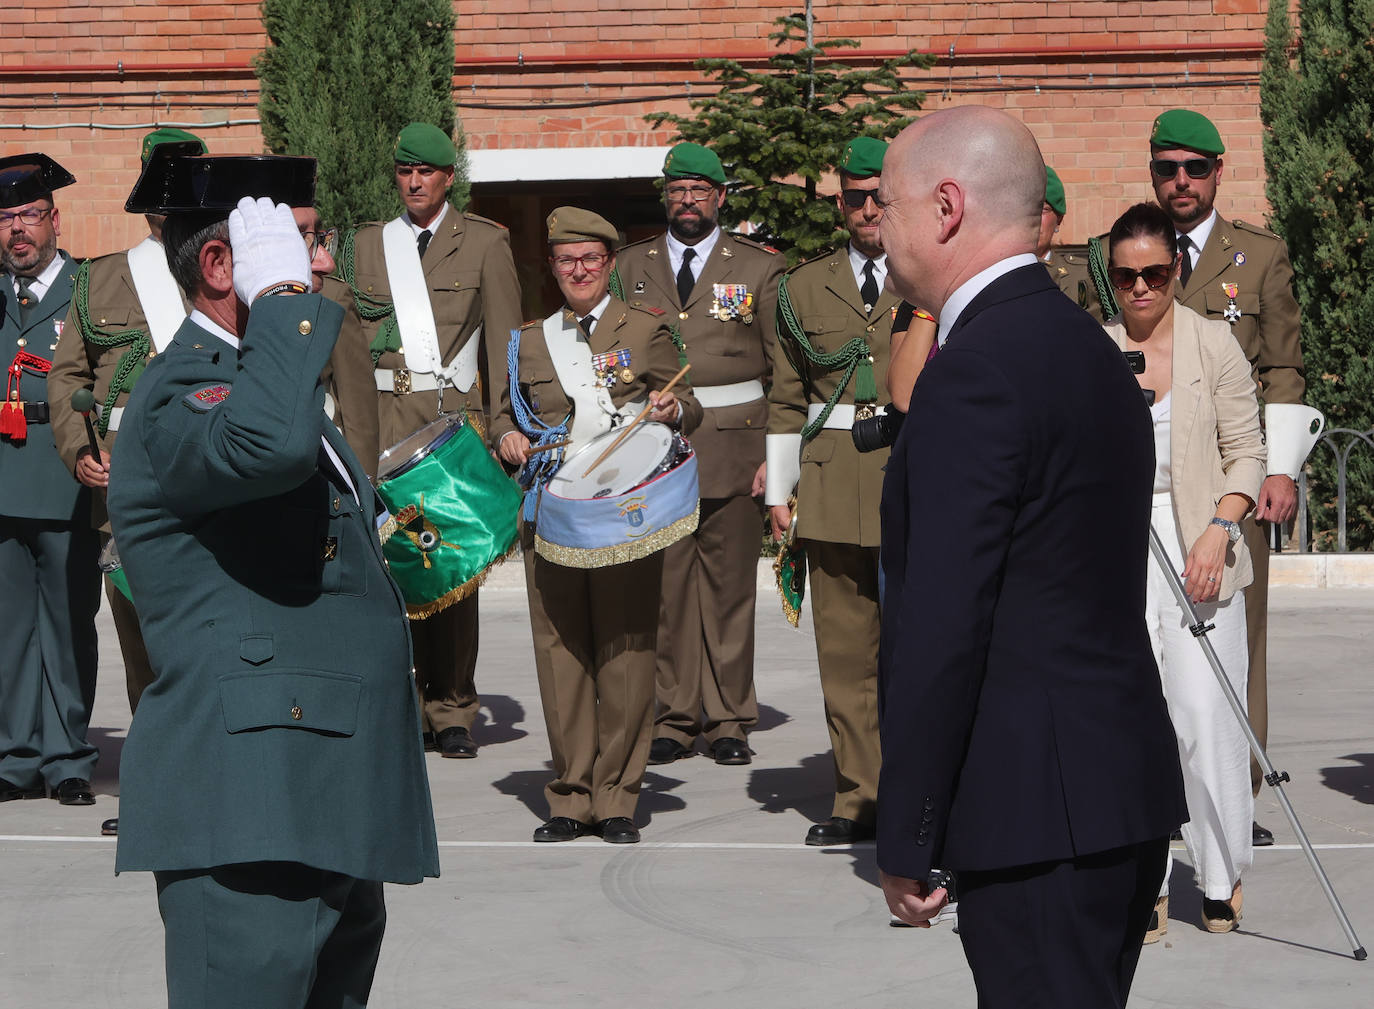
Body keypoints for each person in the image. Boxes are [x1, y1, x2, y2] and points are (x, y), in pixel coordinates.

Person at [106, 147, 439, 1009]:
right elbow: (265, 448)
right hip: (248, 802)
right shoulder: (185, 390)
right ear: (223, 264)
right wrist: (285, 302)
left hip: (319, 790)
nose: (320, 264)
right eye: (300, 244)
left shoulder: (262, 384)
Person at [875, 107, 1187, 1007]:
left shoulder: (974, 370)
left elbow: (944, 621)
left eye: (887, 203)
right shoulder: (1089, 347)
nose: (875, 224)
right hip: (1112, 789)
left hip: (1033, 814)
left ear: (946, 208)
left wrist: (908, 830)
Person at [492, 207, 702, 843]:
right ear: (552, 268)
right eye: (566, 260)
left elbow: (690, 405)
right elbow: (503, 412)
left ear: (610, 264)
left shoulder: (644, 327)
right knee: (561, 652)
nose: (578, 270)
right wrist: (505, 437)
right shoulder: (531, 340)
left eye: (589, 259)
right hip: (551, 511)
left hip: (621, 513)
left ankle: (616, 797)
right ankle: (571, 794)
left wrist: (672, 410)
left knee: (626, 650)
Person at [334, 121, 523, 759]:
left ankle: (453, 708)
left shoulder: (486, 243)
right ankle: (405, 706)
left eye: (426, 172)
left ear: (448, 178)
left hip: (449, 427)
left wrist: (503, 425)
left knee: (451, 567)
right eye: (404, 171)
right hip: (379, 422)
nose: (413, 182)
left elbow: (504, 345)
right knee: (392, 567)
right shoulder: (365, 244)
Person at [1103, 201, 1265, 938]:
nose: (1140, 288)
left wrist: (1219, 528)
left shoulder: (1214, 344)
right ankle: (1143, 878)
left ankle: (1221, 873)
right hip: (1115, 549)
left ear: (1176, 269)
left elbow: (1247, 452)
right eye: (1125, 275)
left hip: (1202, 538)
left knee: (1202, 712)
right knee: (1129, 718)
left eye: (1154, 273)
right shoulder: (1094, 348)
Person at [1148, 108, 1305, 845]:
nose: (1181, 181)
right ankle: (1160, 795)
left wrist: (1282, 468)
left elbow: (1283, 367)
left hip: (1232, 479)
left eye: (1195, 168)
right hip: (1150, 482)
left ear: (1218, 172)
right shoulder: (1129, 250)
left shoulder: (1258, 257)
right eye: (1167, 168)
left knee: (1241, 637)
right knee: (1151, 642)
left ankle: (1237, 795)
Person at [612, 143, 783, 767]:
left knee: (730, 588)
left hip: (735, 446)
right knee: (667, 590)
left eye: (699, 191)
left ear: (720, 197)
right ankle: (674, 717)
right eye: (677, 190)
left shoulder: (760, 268)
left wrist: (777, 457)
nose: (688, 201)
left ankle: (730, 718)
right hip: (658, 448)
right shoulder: (630, 264)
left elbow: (783, 371)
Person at [764, 137, 899, 846]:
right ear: (838, 201)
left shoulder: (928, 273)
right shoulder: (802, 287)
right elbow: (788, 398)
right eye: (854, 197)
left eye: (878, 196)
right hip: (831, 483)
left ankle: (918, 795)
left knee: (914, 651)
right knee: (845, 654)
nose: (867, 209)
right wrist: (779, 490)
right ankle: (859, 796)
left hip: (910, 477)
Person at [0, 153, 101, 808]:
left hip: (66, 475)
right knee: (8, 630)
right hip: (3, 479)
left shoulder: (87, 290)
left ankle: (67, 758)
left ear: (55, 220)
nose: (18, 229)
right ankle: (15, 757)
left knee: (66, 625)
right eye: (6, 218)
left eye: (29, 215)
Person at [1039, 165, 1103, 321]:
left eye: (1043, 209)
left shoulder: (1086, 275)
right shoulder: (993, 273)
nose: (1033, 218)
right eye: (1026, 209)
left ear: (1058, 220)